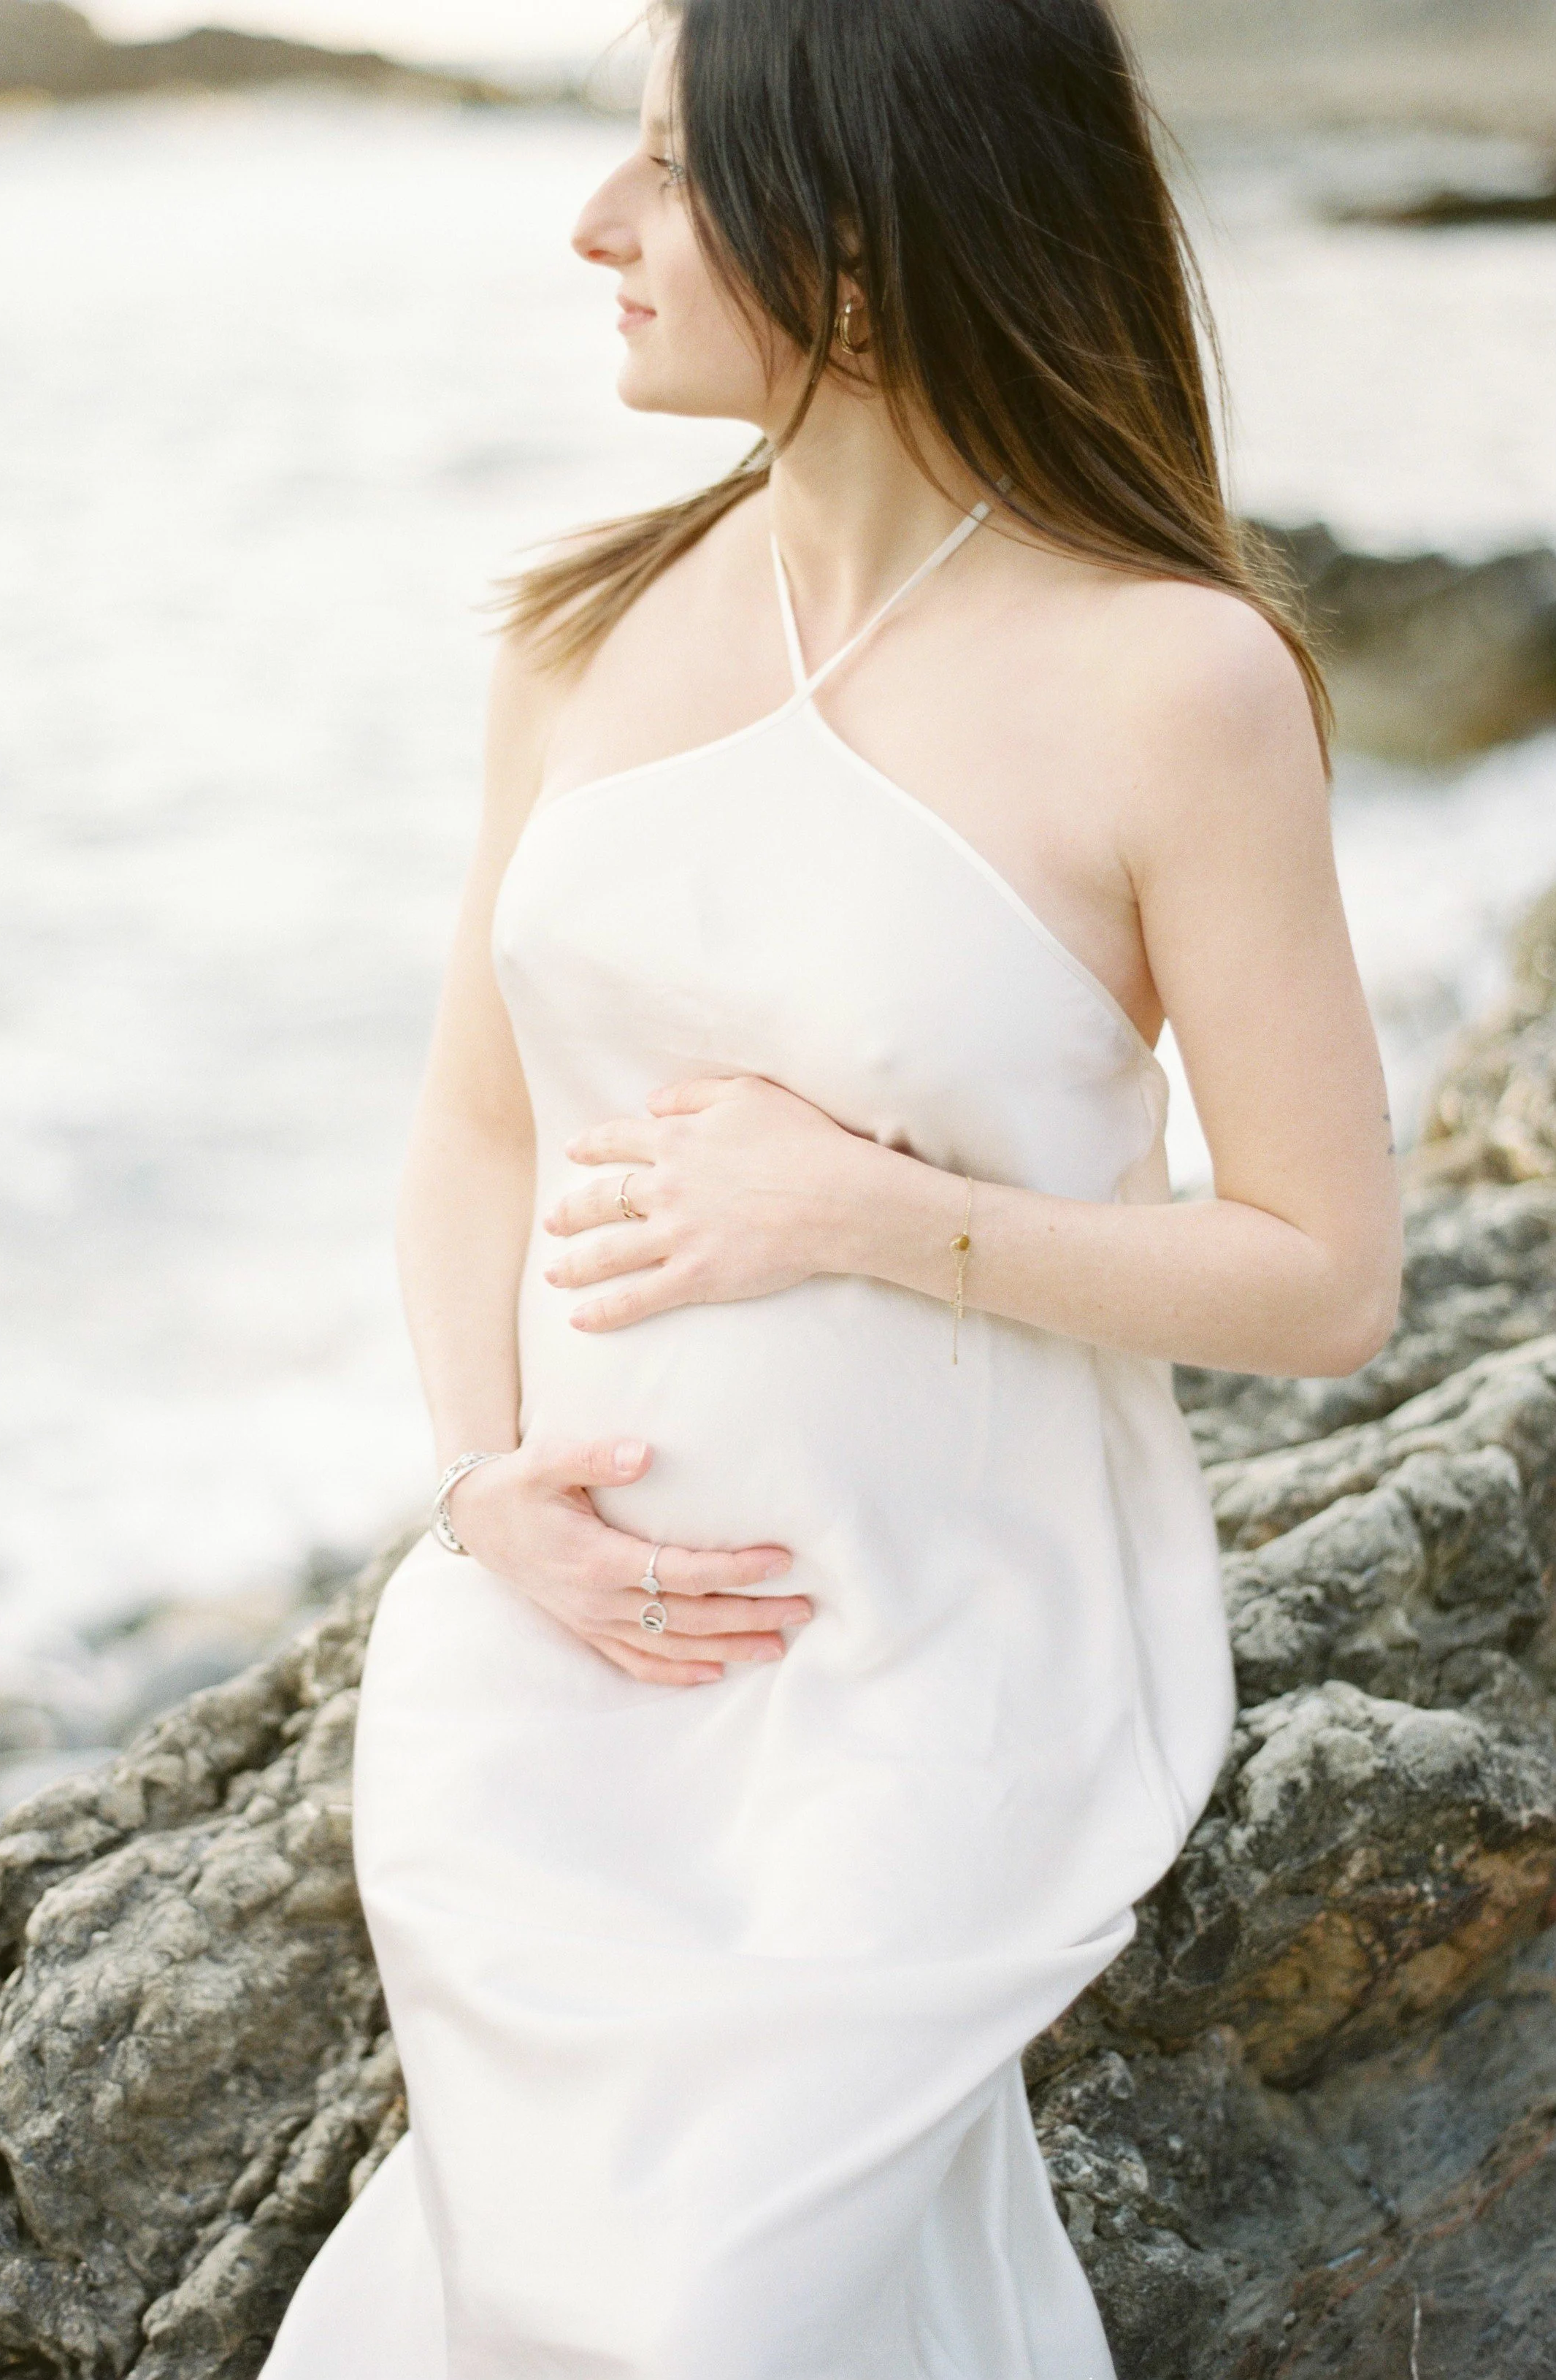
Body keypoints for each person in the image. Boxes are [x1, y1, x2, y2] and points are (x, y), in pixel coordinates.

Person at [261, 0, 1402, 2371]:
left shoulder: (1169, 681)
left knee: (693, 2311)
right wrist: (484, 1494)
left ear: (864, 236)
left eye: (669, 170)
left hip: (937, 1656)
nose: (597, 223)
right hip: (550, 1661)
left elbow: (1324, 1278)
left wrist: (867, 1215)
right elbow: (474, 1130)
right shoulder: (582, 634)